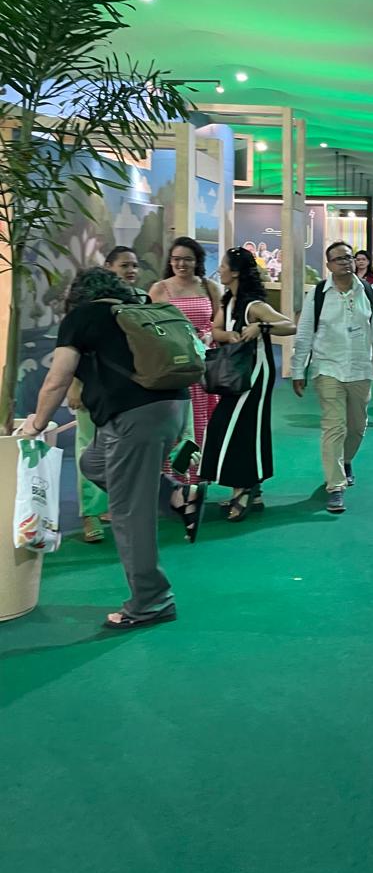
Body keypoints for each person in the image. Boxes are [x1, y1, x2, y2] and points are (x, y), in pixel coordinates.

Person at [20, 268, 197, 630]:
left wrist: (36, 424)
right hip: (172, 406)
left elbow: (57, 379)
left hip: (134, 416)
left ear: (78, 295)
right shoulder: (136, 308)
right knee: (93, 463)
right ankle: (175, 495)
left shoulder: (82, 317)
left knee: (129, 515)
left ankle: (152, 601)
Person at [291, 241, 373, 513]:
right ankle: (335, 486)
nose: (345, 262)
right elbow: (304, 334)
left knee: (357, 426)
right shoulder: (318, 294)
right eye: (339, 259)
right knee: (334, 427)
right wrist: (298, 369)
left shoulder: (367, 292)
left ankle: (346, 460)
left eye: (348, 258)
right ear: (328, 265)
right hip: (328, 368)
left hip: (360, 369)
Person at [198, 248, 295, 519]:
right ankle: (252, 489)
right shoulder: (228, 302)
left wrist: (261, 327)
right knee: (238, 427)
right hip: (238, 373)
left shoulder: (254, 306)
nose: (220, 269)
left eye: (223, 265)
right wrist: (229, 336)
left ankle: (242, 489)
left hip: (254, 375)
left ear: (236, 271)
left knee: (236, 428)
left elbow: (289, 326)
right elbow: (216, 330)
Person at [72, 246, 149, 543]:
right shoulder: (86, 303)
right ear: (107, 267)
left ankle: (113, 506)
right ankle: (90, 513)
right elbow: (72, 348)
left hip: (127, 390)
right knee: (88, 447)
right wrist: (74, 384)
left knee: (122, 449)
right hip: (91, 386)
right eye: (124, 265)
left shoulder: (141, 299)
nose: (131, 271)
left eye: (135, 265)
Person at [148, 237, 221, 486]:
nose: (181, 264)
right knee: (174, 421)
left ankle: (198, 477)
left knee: (202, 421)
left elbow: (221, 323)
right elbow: (150, 327)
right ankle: (173, 478)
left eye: (187, 259)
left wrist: (210, 335)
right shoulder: (159, 289)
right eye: (176, 259)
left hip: (203, 366)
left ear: (197, 261)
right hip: (175, 366)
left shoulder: (210, 287)